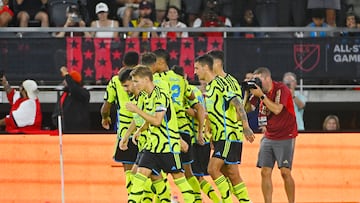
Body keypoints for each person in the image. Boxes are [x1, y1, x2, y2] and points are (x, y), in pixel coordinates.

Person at [125, 66, 196, 203]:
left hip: (167, 146)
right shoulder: (146, 96)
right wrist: (139, 131)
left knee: (179, 180)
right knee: (140, 177)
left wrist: (136, 110)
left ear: (146, 79)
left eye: (136, 81)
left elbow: (157, 120)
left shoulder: (160, 95)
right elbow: (149, 118)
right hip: (152, 146)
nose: (134, 85)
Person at [194, 54, 254, 203]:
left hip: (229, 134)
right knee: (231, 173)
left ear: (207, 66)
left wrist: (245, 126)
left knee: (213, 169)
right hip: (222, 135)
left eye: (196, 68)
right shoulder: (212, 86)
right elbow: (218, 112)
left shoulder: (220, 84)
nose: (194, 72)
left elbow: (237, 104)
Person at [245, 67, 297, 203]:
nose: (256, 82)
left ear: (267, 78)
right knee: (265, 171)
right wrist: (246, 93)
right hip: (269, 135)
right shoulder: (257, 93)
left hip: (286, 134)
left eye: (258, 79)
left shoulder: (281, 89)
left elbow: (277, 109)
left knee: (285, 172)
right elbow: (246, 110)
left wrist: (262, 95)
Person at [100, 51, 139, 196]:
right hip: (144, 129)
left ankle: (132, 197)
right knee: (149, 169)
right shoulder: (144, 79)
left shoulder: (116, 81)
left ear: (123, 63)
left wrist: (105, 118)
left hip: (125, 131)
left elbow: (106, 106)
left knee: (129, 169)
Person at [52, 66, 90, 133]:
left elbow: (74, 89)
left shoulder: (83, 93)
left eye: (66, 80)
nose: (64, 82)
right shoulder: (65, 94)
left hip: (78, 129)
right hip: (64, 128)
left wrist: (67, 75)